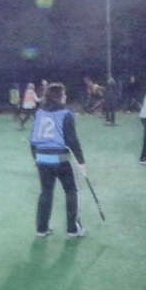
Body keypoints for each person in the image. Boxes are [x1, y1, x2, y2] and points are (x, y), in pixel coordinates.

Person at [31, 82, 86, 238]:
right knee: (71, 191)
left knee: (46, 193)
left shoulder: (40, 113)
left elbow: (33, 140)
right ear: (59, 97)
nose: (66, 96)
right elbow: (72, 140)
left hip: (42, 157)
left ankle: (42, 229)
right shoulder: (66, 114)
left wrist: (35, 157)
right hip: (60, 158)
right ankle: (73, 229)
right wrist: (81, 161)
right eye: (64, 94)